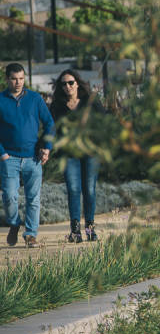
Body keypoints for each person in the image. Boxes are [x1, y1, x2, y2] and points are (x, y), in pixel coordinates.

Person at [0, 63, 55, 248]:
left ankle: (31, 234)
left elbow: (49, 124)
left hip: (33, 157)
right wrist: (2, 154)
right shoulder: (0, 100)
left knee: (33, 198)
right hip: (10, 158)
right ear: (7, 78)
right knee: (9, 196)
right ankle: (14, 224)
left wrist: (46, 147)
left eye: (21, 78)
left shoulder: (35, 98)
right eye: (15, 79)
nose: (18, 82)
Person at [50, 69, 104, 243]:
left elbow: (104, 122)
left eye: (71, 83)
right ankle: (75, 231)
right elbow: (53, 128)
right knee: (73, 189)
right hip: (69, 154)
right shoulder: (57, 105)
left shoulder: (90, 102)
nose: (68, 86)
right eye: (64, 84)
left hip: (90, 152)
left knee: (89, 189)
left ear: (78, 83)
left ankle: (90, 228)